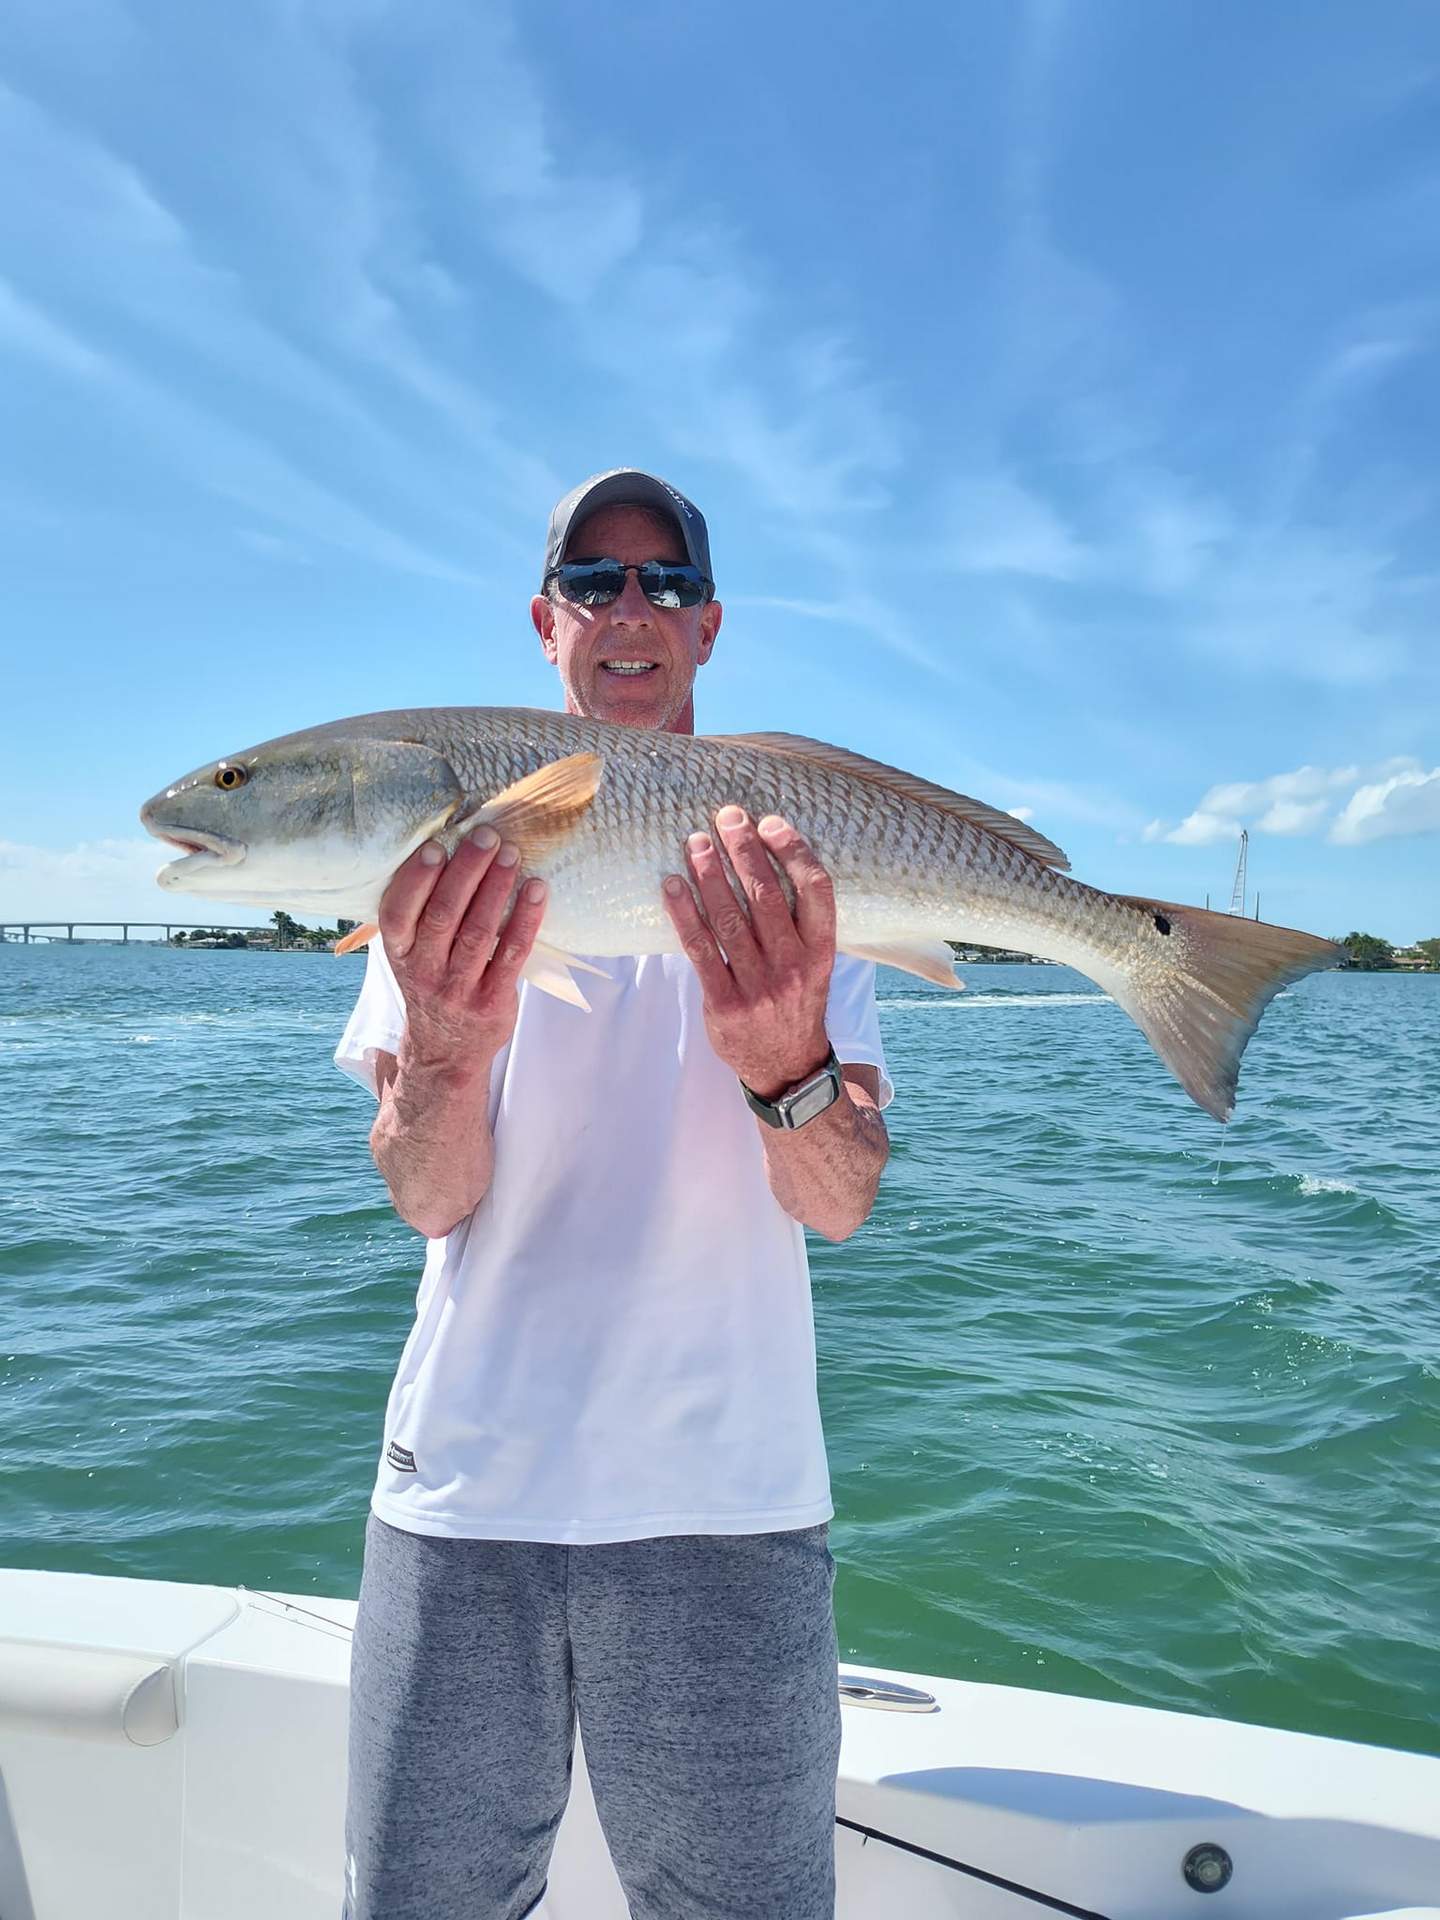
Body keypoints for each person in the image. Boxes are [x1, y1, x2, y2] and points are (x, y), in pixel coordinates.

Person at [334, 469, 894, 1920]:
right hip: (462, 1502)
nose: (627, 611)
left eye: (660, 585)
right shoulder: (440, 867)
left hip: (730, 1507)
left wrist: (785, 1057)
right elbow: (426, 1196)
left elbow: (838, 1200)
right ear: (546, 622)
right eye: (594, 582)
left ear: (709, 628)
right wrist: (447, 1049)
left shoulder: (792, 862)